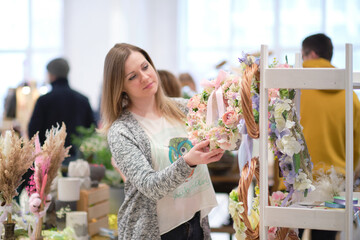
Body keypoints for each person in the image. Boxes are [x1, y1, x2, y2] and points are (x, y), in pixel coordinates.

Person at [101, 43, 224, 240]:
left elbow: (224, 130)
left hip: (195, 222)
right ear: (120, 87)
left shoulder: (183, 108)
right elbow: (150, 186)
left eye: (145, 67)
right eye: (132, 77)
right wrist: (189, 161)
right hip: (154, 232)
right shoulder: (121, 131)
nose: (145, 77)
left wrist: (218, 142)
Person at [299, 33, 360, 240]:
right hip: (337, 184)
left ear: (311, 54)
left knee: (288, 235)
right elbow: (358, 147)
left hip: (297, 181)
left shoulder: (294, 86)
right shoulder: (350, 94)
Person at [28, 58, 96, 165]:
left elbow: (33, 132)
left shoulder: (43, 101)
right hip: (77, 161)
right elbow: (92, 130)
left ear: (51, 75)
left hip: (49, 161)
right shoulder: (83, 99)